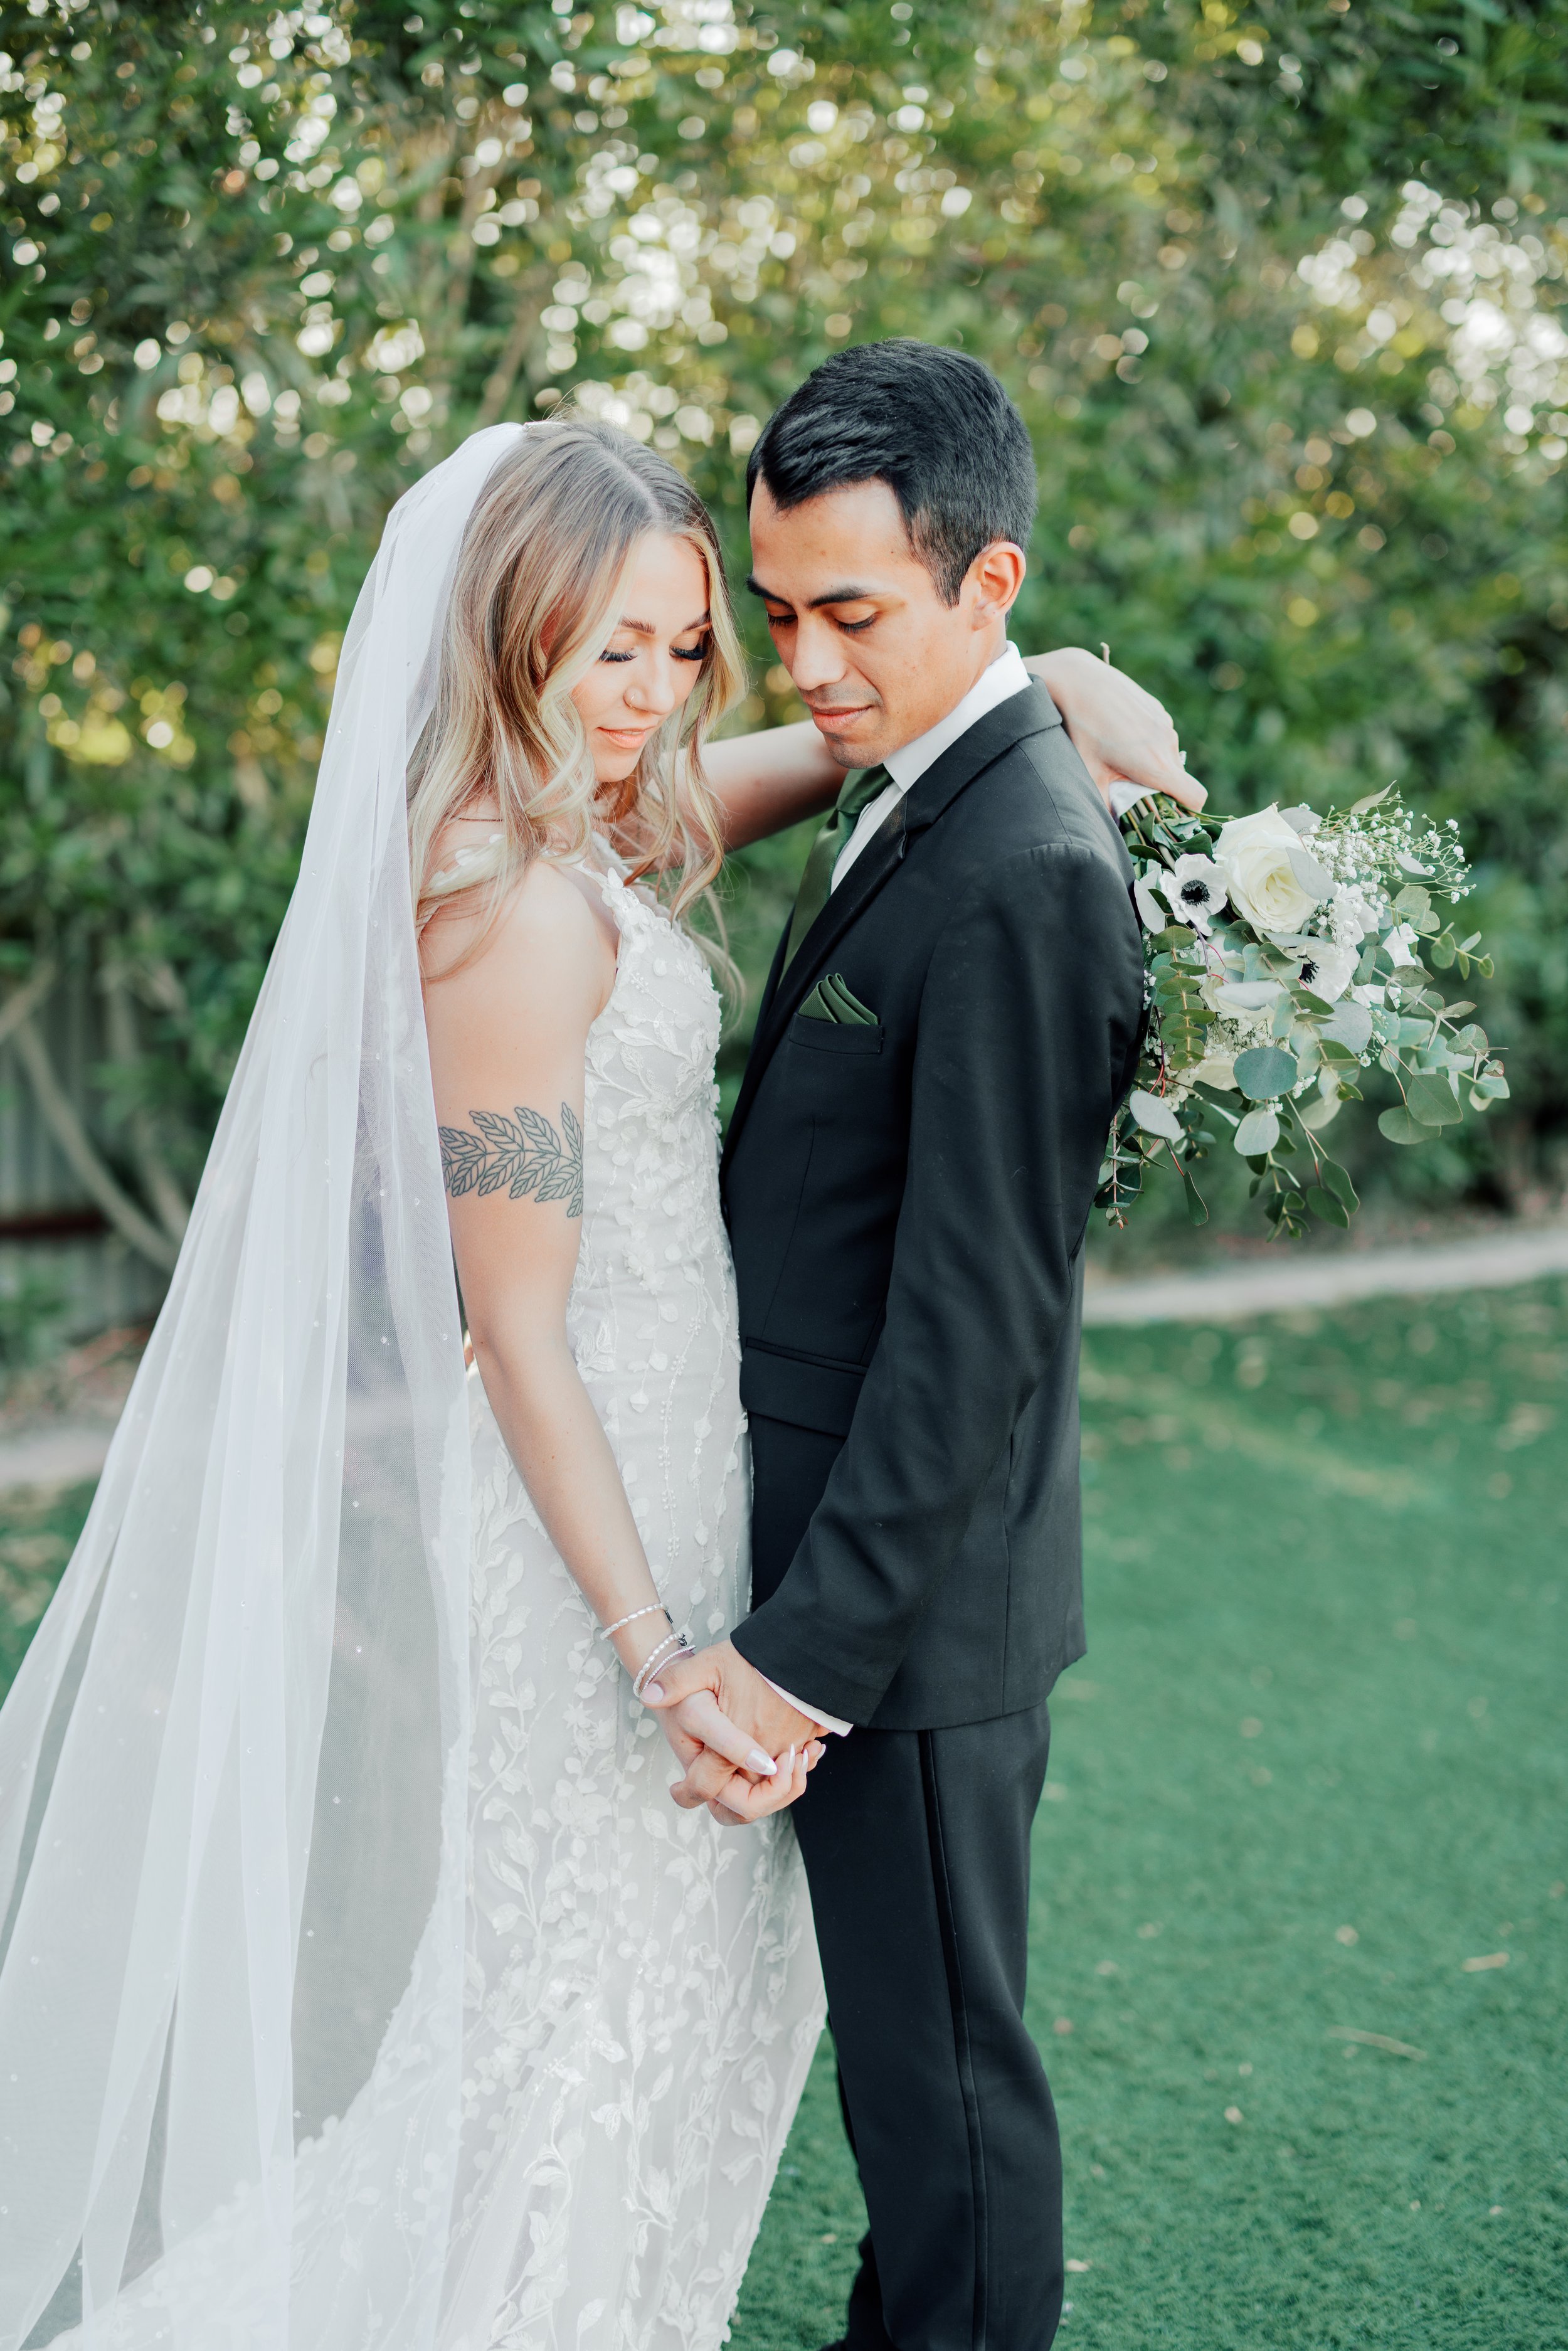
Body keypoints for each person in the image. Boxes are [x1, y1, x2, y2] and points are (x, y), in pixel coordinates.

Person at [0, 409, 1194, 2351]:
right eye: (604, 648)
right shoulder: (501, 907)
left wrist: (1023, 679)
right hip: (595, 1531)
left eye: (680, 644)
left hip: (697, 1471)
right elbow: (515, 1329)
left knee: (661, 2028)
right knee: (571, 2038)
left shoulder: (589, 816)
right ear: (510, 639)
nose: (654, 692)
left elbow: (796, 763)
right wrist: (652, 1643)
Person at [649, 342, 1158, 2351]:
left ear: (988, 585)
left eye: (850, 613)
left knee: (945, 2096)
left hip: (909, 1617)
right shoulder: (921, 785)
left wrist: (801, 1658)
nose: (805, 663)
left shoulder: (1030, 868)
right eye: (777, 615)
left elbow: (975, 1331)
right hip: (854, 1566)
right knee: (900, 2078)